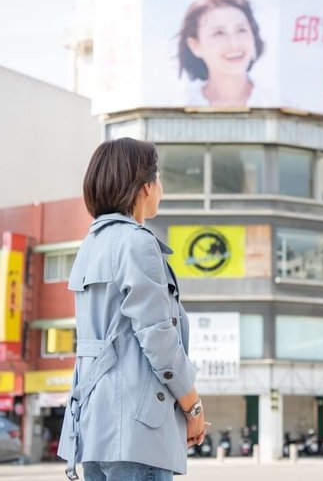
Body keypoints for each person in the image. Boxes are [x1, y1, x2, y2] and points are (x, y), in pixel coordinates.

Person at [58, 138, 207, 481]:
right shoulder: (137, 243)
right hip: (139, 431)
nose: (161, 188)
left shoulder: (91, 245)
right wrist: (192, 405)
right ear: (144, 186)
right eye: (159, 178)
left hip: (96, 426)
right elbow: (158, 338)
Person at [178, 0, 265, 107]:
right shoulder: (181, 106)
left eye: (241, 30)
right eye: (219, 33)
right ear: (195, 46)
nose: (234, 44)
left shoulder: (278, 103)